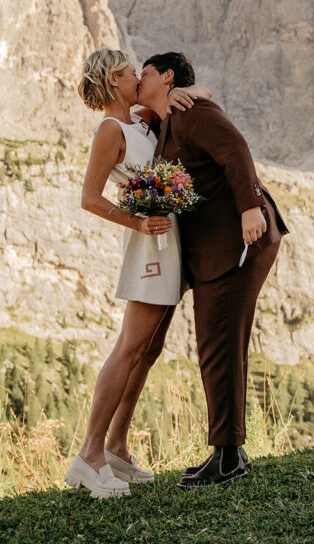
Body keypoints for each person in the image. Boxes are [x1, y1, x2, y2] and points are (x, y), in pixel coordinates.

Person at [138, 51, 288, 489]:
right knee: (215, 347)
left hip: (240, 242)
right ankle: (229, 453)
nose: (139, 79)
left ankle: (226, 459)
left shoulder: (193, 112)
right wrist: (189, 90)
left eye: (144, 73)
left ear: (166, 77)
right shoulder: (172, 115)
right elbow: (128, 106)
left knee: (221, 346)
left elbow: (235, 150)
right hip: (214, 252)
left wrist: (248, 208)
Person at [65, 47, 209, 498]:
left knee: (150, 349)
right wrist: (139, 221)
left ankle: (117, 447)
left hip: (168, 243)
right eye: (131, 73)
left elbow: (195, 94)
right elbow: (90, 198)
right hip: (149, 243)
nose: (138, 77)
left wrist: (183, 89)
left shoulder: (139, 119)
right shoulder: (110, 130)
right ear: (113, 82)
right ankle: (89, 456)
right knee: (130, 348)